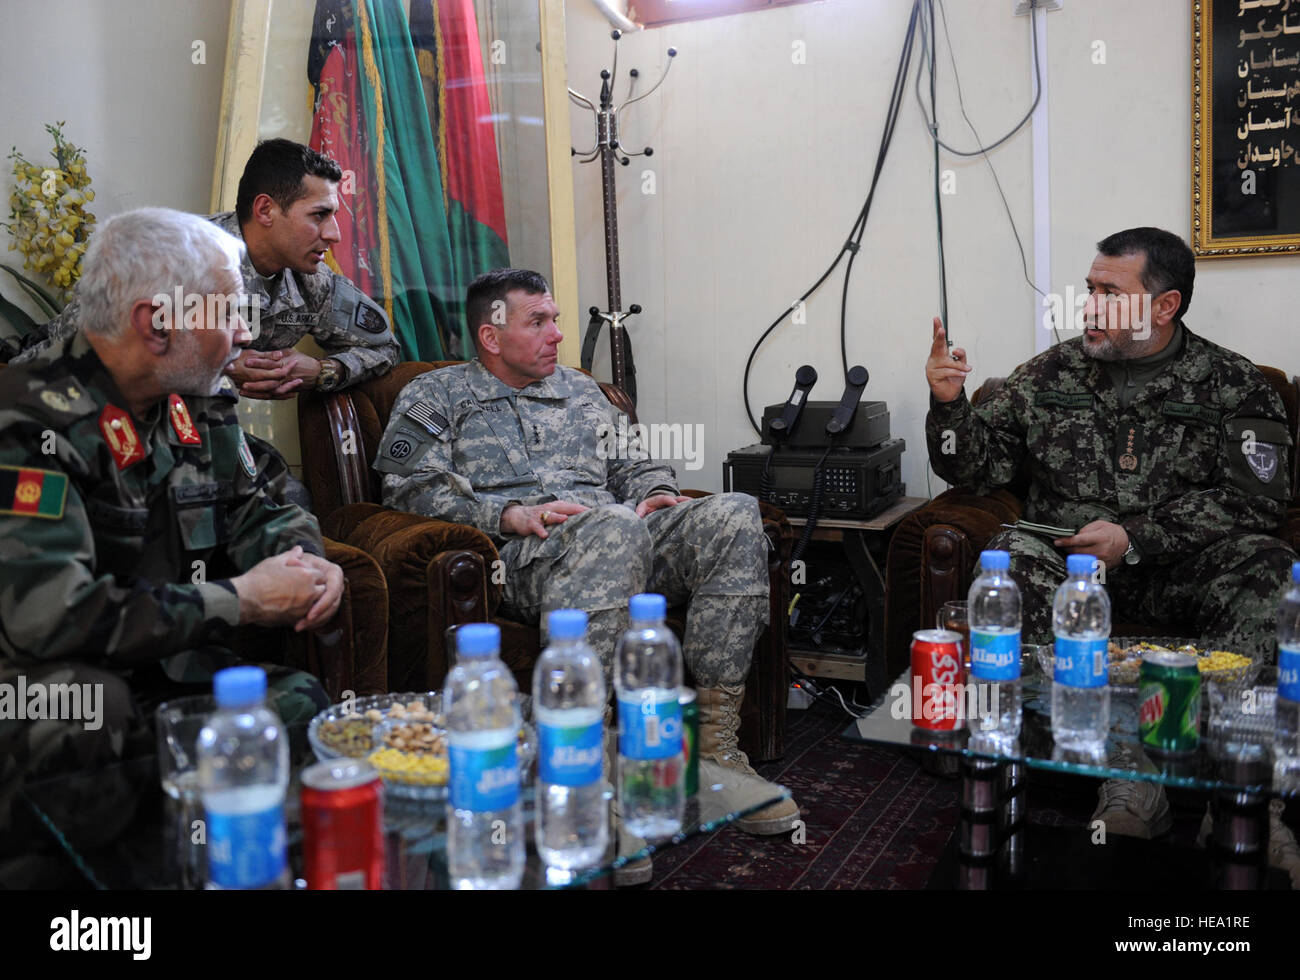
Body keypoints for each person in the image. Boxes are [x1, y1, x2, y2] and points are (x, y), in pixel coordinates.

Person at [374, 268, 800, 877]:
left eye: (556, 319)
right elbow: (407, 492)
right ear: (491, 336)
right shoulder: (435, 396)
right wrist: (509, 513)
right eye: (538, 322)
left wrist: (657, 491)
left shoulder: (581, 391)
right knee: (613, 527)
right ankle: (586, 783)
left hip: (620, 529)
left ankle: (716, 747)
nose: (557, 334)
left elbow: (639, 461)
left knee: (733, 513)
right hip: (527, 554)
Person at [923, 226, 1298, 862]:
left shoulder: (1235, 384)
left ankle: (1245, 798)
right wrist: (949, 404)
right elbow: (973, 469)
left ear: (1164, 305)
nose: (1089, 305)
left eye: (1109, 292)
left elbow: (1257, 499)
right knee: (1009, 559)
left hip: (1183, 567)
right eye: (1088, 289)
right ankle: (1128, 780)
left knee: (1273, 571)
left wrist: (1136, 538)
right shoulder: (1050, 372)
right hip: (1074, 574)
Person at [0, 208, 344, 874]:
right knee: (91, 710)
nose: (245, 333)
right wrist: (240, 600)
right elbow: (50, 618)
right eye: (228, 312)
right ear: (156, 323)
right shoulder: (29, 423)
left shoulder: (193, 403)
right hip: (42, 690)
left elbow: (262, 505)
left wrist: (307, 563)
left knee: (295, 705)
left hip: (164, 677)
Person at [12, 139, 399, 398]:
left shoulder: (312, 281)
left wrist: (321, 370)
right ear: (265, 210)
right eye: (319, 216)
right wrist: (221, 361)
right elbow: (91, 345)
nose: (333, 235)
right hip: (62, 401)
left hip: (189, 427)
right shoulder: (174, 257)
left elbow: (384, 346)